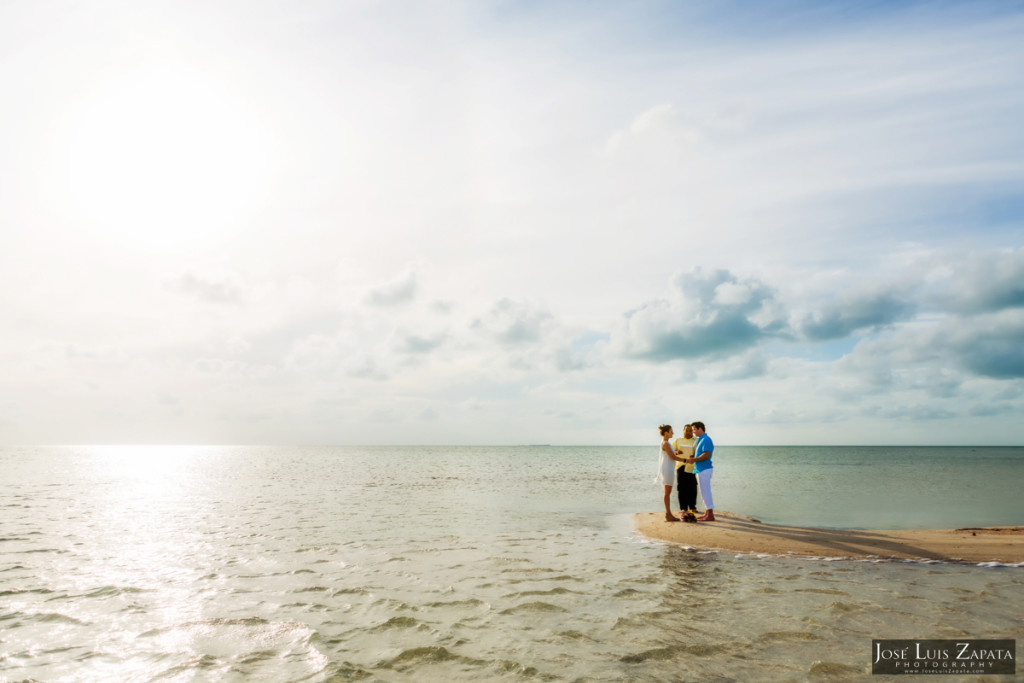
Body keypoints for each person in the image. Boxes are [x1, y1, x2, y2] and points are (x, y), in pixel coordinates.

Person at [657, 425, 686, 522]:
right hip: (667, 469)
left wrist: (678, 452)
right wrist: (685, 460)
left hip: (669, 468)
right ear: (666, 433)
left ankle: (668, 514)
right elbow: (673, 457)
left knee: (667, 492)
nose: (673, 433)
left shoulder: (667, 443)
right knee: (667, 492)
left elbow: (671, 454)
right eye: (671, 431)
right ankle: (668, 514)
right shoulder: (665, 443)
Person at [687, 421, 715, 521]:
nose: (693, 432)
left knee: (705, 491)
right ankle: (707, 513)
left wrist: (694, 459)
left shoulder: (706, 439)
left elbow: (706, 454)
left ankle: (710, 515)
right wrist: (693, 457)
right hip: (700, 469)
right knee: (704, 492)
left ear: (700, 429)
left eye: (694, 429)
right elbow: (700, 454)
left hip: (704, 469)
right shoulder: (700, 439)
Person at [673, 424, 698, 522]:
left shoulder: (696, 441)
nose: (688, 432)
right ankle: (683, 508)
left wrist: (694, 454)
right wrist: (677, 452)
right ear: (683, 431)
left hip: (692, 467)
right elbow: (671, 451)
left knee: (692, 487)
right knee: (681, 487)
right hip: (681, 466)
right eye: (686, 430)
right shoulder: (677, 440)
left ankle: (692, 506)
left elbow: (699, 452)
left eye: (690, 431)